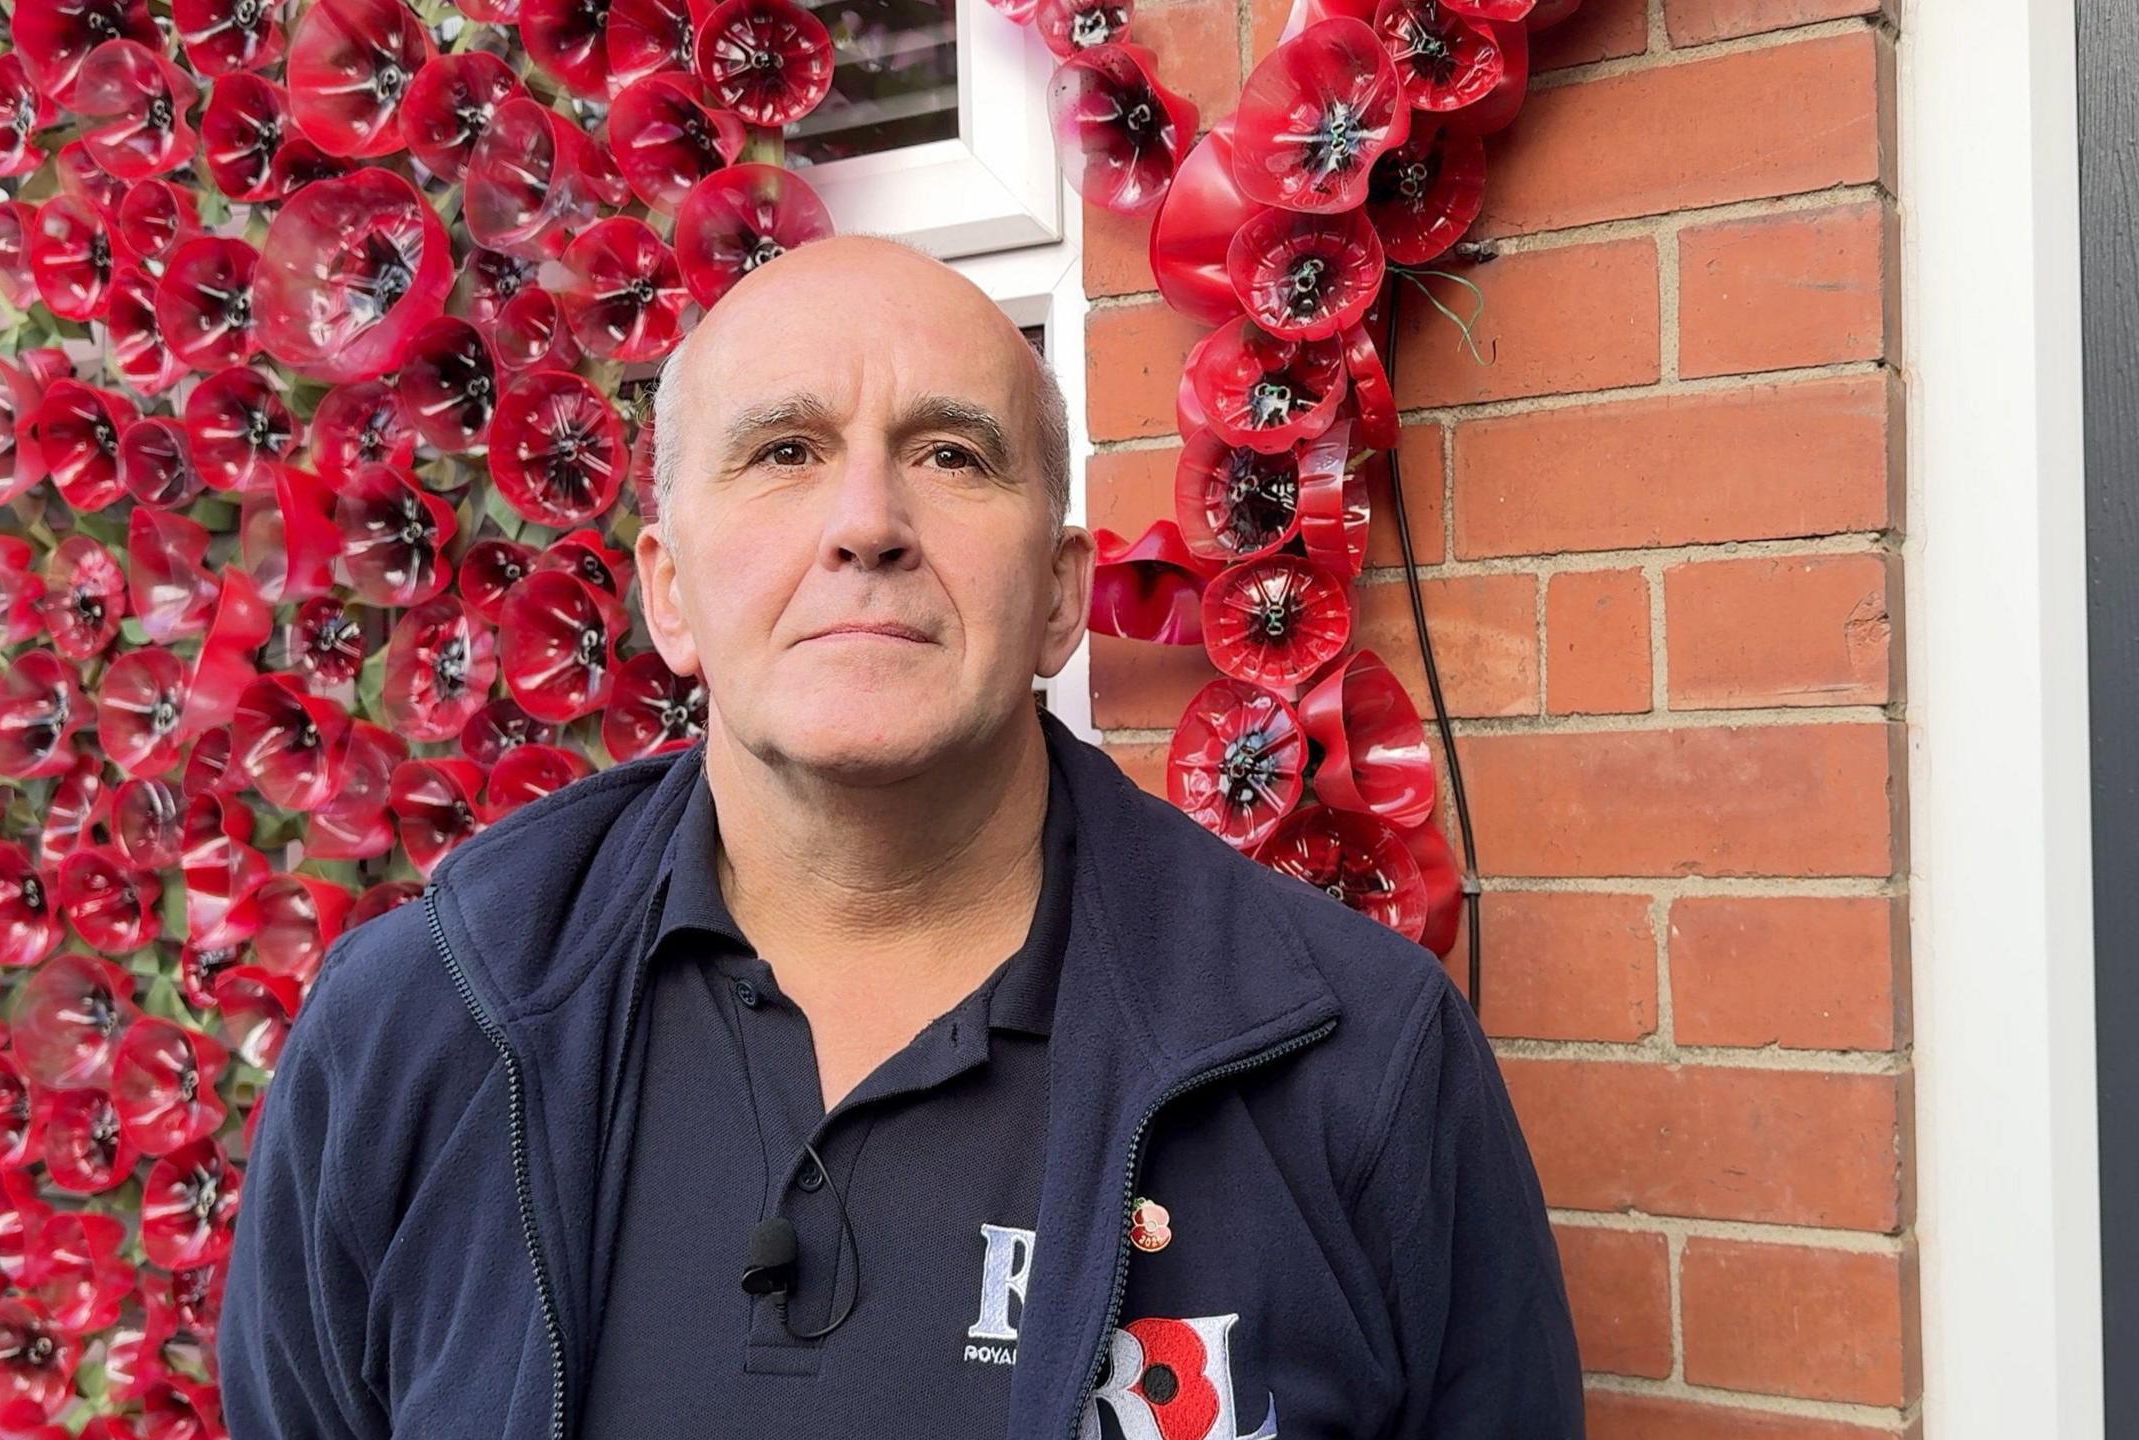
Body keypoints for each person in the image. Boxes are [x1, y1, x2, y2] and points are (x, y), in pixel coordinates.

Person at [217, 234, 1584, 1439]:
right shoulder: (416, 1034)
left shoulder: (1360, 1063)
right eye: (784, 452)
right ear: (668, 590)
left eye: (950, 454)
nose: (867, 522)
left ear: (1060, 597)